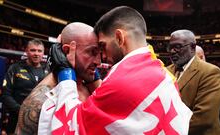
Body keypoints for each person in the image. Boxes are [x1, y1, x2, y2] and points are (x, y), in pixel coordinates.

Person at [39, 6, 192, 135]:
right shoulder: (163, 73)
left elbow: (72, 126)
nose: (102, 57)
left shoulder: (123, 78)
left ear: (119, 38)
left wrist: (65, 73)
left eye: (103, 46)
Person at [15, 22, 102, 134]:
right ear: (67, 51)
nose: (98, 62)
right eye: (92, 52)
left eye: (99, 53)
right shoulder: (38, 102)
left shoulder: (92, 87)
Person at [167, 29, 220, 135]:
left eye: (178, 47)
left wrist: (169, 131)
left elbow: (204, 118)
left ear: (192, 47)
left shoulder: (211, 72)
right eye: (170, 47)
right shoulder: (165, 71)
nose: (172, 51)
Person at [1, 38, 48, 134]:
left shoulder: (48, 71)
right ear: (26, 51)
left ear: (43, 53)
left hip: (42, 120)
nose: (36, 53)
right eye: (33, 50)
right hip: (17, 118)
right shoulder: (15, 68)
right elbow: (5, 94)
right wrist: (22, 112)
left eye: (39, 51)